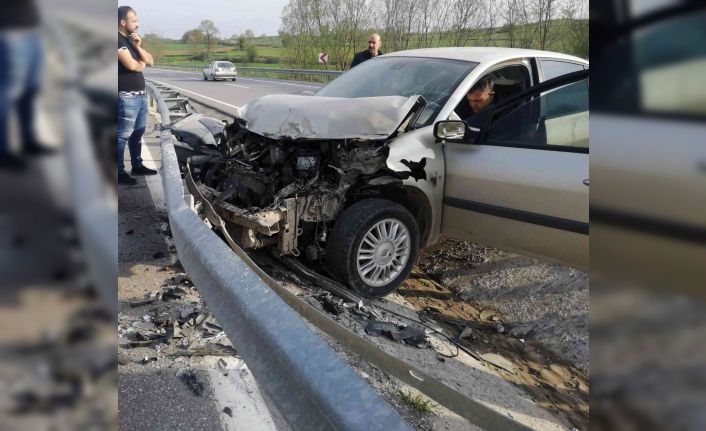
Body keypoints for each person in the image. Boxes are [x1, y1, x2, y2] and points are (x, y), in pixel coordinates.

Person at [0, 0, 54, 170]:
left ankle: (28, 141)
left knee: (30, 90)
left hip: (31, 32)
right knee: (7, 94)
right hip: (10, 32)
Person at [117, 5, 157, 185]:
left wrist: (138, 46)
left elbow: (150, 61)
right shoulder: (117, 41)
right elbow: (133, 66)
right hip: (126, 96)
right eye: (134, 21)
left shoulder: (130, 41)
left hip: (140, 96)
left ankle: (137, 165)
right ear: (123, 22)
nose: (137, 24)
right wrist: (141, 64)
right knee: (122, 135)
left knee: (137, 134)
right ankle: (118, 172)